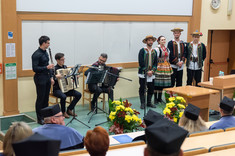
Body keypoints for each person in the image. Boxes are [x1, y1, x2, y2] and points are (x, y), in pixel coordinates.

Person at [32, 35, 54, 125]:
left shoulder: (46, 52)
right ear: (43, 43)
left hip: (47, 77)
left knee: (46, 98)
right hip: (40, 78)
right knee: (40, 98)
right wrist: (46, 67)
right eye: (48, 43)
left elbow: (48, 66)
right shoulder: (36, 54)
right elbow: (35, 68)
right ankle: (39, 118)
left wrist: (51, 77)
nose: (49, 44)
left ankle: (46, 116)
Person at [53, 53, 82, 118]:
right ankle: (63, 112)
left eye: (64, 59)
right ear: (57, 60)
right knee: (63, 96)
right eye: (62, 60)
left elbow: (69, 78)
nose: (63, 61)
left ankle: (69, 109)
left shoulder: (65, 67)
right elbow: (50, 79)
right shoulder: (54, 69)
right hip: (57, 89)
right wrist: (56, 76)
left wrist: (75, 77)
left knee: (78, 94)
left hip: (66, 88)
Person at [138, 35, 158, 109]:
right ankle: (143, 103)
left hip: (152, 73)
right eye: (149, 40)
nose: (150, 42)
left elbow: (156, 63)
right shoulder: (142, 50)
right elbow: (141, 62)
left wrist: (152, 71)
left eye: (151, 40)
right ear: (146, 42)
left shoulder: (154, 51)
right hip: (143, 73)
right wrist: (146, 71)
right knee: (142, 88)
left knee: (151, 88)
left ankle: (149, 102)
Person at [154, 36, 173, 104]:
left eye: (164, 40)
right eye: (162, 40)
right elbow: (155, 58)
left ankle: (159, 98)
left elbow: (168, 58)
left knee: (162, 84)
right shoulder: (156, 49)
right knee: (157, 83)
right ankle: (155, 99)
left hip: (166, 67)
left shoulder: (167, 49)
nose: (163, 41)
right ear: (159, 41)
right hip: (159, 67)